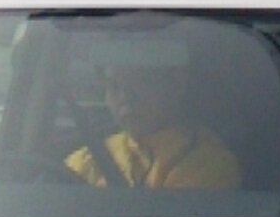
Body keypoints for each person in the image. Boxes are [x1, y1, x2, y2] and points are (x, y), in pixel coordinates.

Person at [65, 61, 241, 190]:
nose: (125, 98)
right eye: (113, 86)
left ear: (177, 84)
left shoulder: (210, 164)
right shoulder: (89, 158)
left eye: (140, 83)